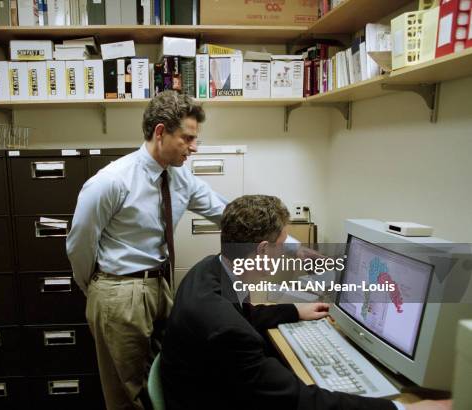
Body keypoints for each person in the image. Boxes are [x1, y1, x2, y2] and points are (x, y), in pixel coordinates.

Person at [160, 195, 451, 410]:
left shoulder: (207, 270)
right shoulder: (227, 329)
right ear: (262, 250)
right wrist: (402, 408)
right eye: (283, 244)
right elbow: (296, 400)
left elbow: (243, 316)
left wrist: (294, 310)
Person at [66, 90, 228, 410]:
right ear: (160, 132)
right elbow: (79, 244)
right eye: (187, 138)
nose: (194, 148)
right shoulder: (111, 181)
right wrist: (99, 290)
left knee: (165, 376)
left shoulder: (180, 178)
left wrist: (287, 245)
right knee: (128, 394)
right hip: (119, 289)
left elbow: (228, 215)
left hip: (159, 286)